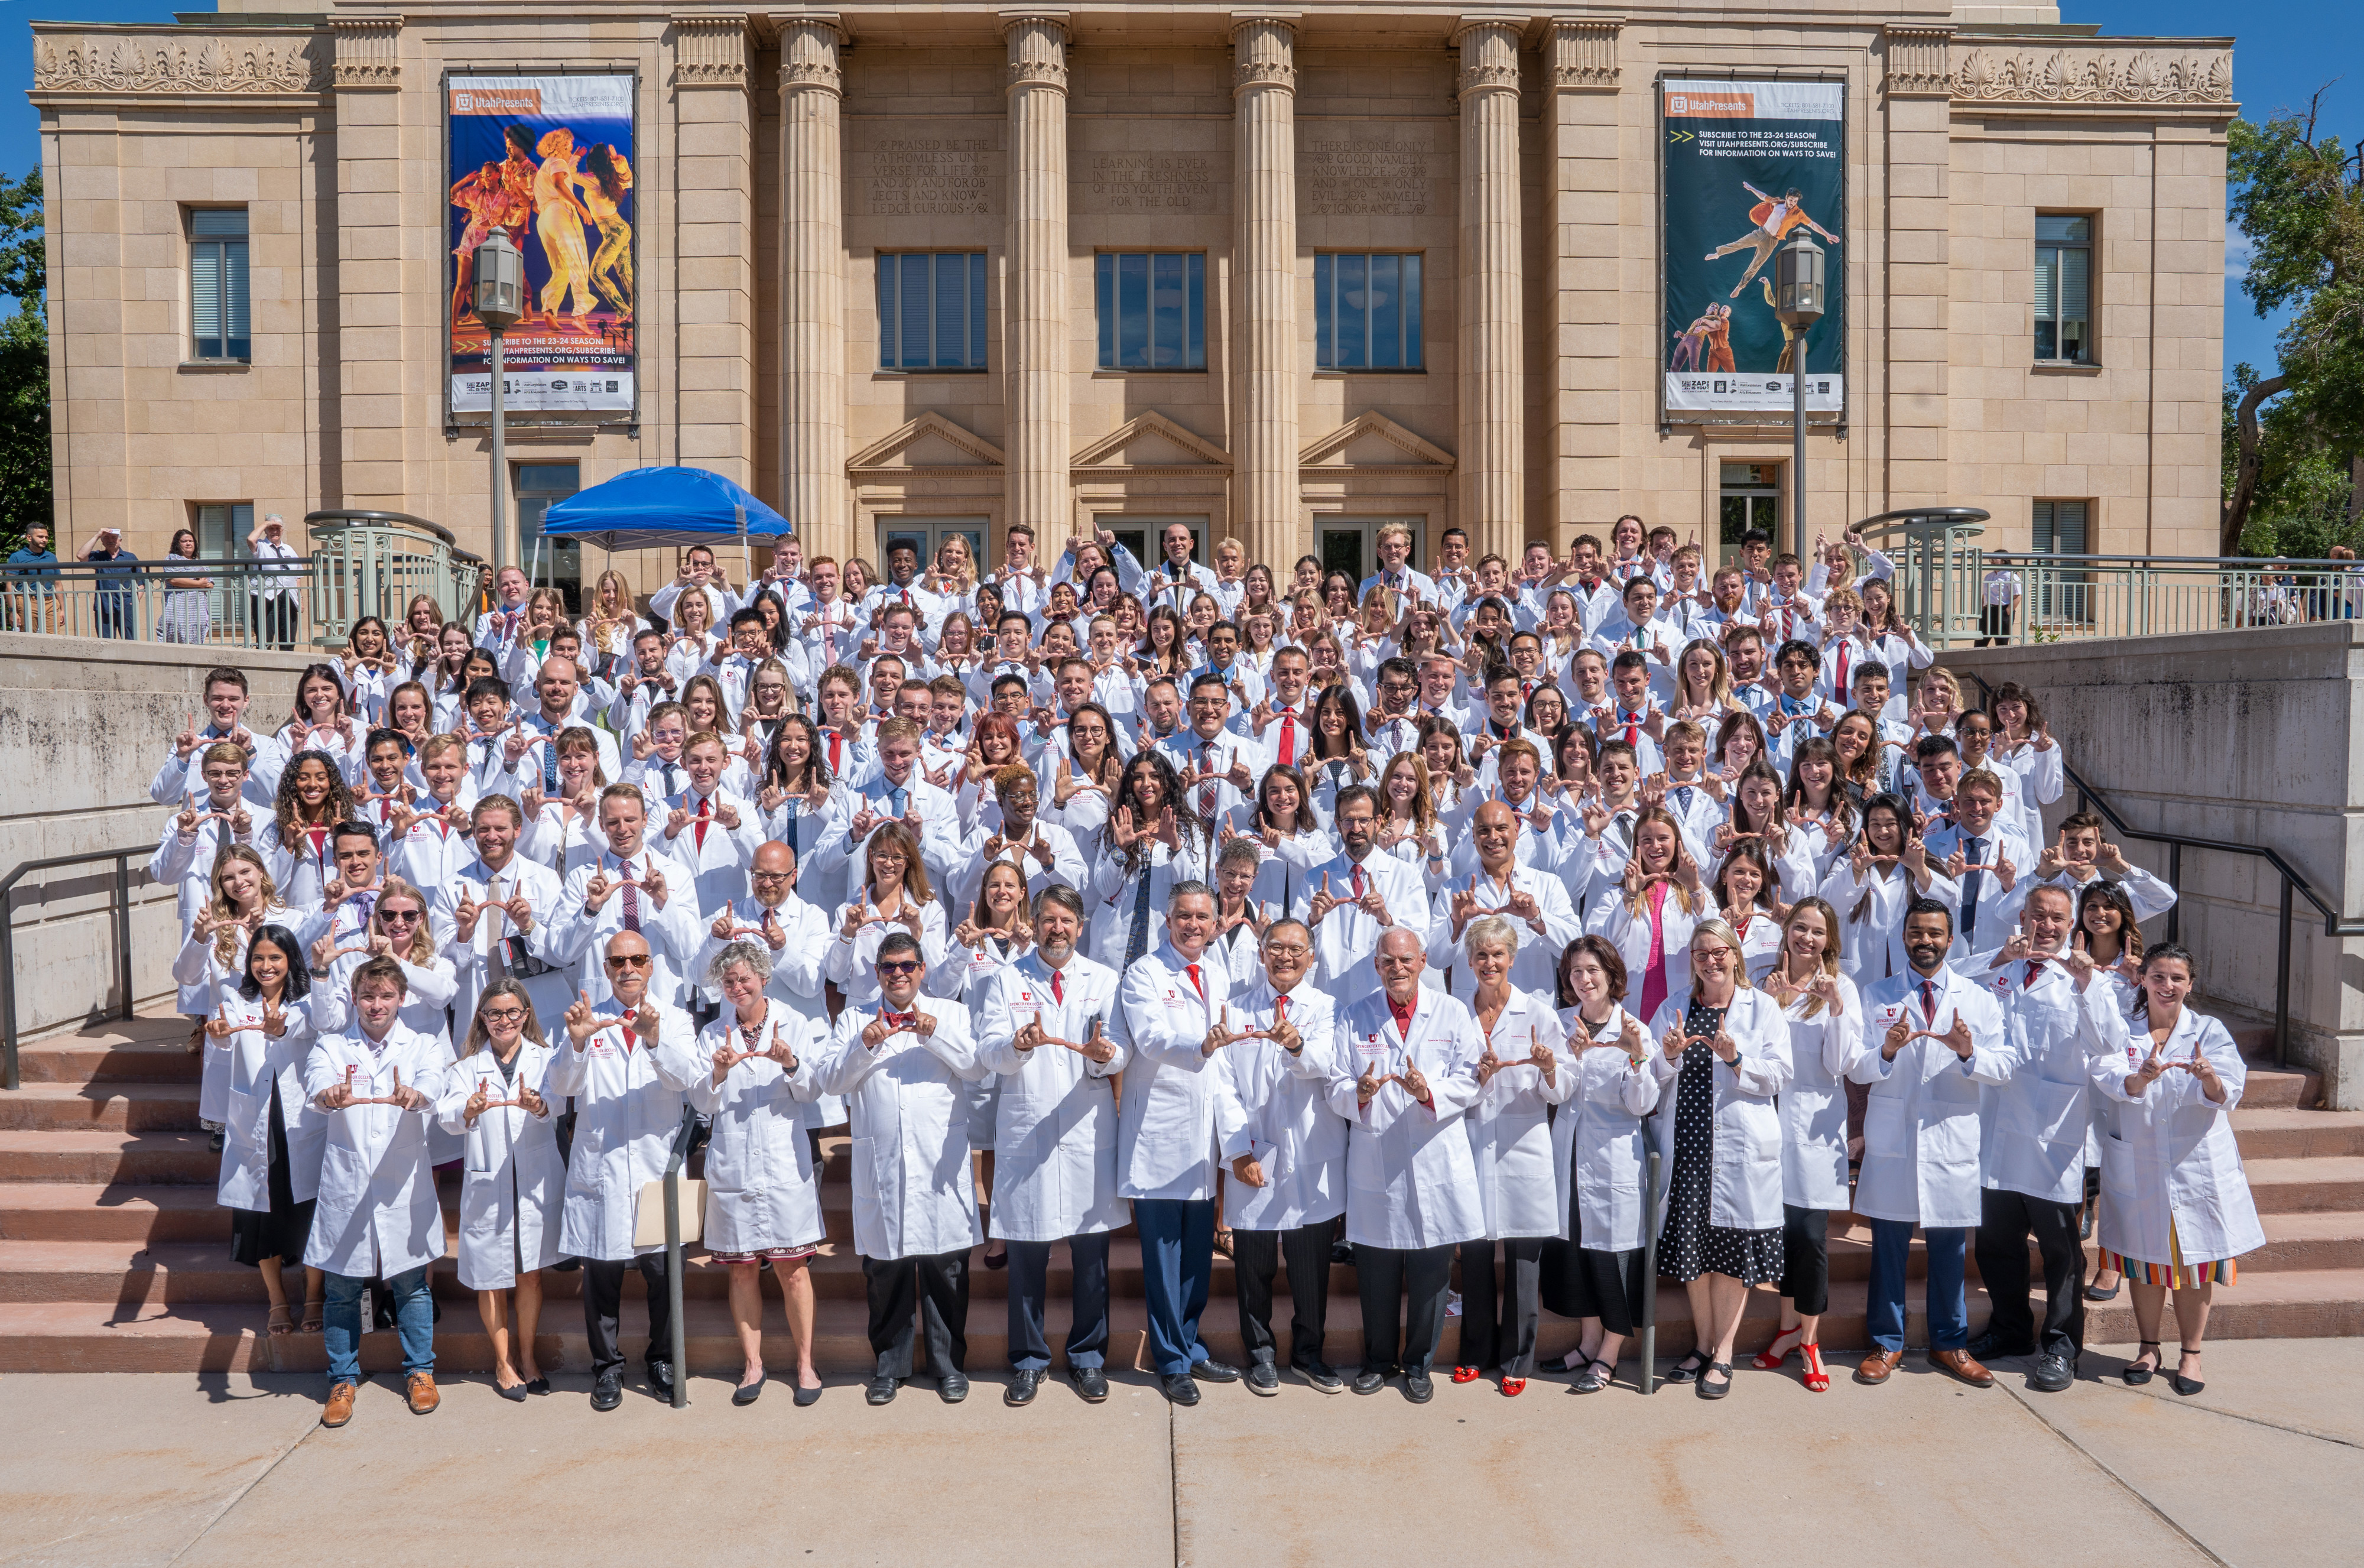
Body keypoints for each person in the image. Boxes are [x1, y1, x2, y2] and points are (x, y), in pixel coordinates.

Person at [815, 930, 989, 1407]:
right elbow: (829, 1081)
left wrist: (933, 1033)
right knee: (885, 1272)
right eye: (889, 966)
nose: (898, 974)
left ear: (922, 969)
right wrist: (864, 1046)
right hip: (883, 1165)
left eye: (907, 965)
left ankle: (949, 1365)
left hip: (940, 1164)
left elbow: (976, 1067)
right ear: (877, 972)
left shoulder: (951, 1012)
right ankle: (889, 1367)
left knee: (946, 1271)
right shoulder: (854, 1017)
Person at [2089, 944, 2265, 1397]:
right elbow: (2105, 1074)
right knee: (2143, 1261)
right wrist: (2139, 1079)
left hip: (2195, 1164)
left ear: (2191, 984)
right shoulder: (2124, 1030)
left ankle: (2192, 1352)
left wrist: (2208, 1077)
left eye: (2177, 979)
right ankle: (2148, 1346)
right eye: (2159, 977)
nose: (2168, 986)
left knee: (2194, 1263)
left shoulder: (2209, 1030)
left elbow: (2231, 1089)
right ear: (2143, 979)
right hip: (2140, 1163)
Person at [975, 885, 1128, 1405]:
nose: (1056, 928)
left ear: (1080, 927)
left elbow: (1120, 1051)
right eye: (1047, 920)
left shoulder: (1103, 979)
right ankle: (1029, 1360)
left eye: (1066, 920)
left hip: (1086, 1131)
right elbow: (988, 1049)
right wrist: (1015, 1046)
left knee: (1092, 1258)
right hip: (1028, 1128)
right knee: (1026, 1256)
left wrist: (1102, 1055)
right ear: (1033, 924)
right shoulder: (1006, 979)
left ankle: (1088, 1358)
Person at [1850, 898, 2011, 1388]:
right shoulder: (1876, 994)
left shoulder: (1979, 999)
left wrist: (1968, 1051)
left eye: (1935, 934)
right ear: (1904, 937)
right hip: (1893, 1136)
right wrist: (1886, 1050)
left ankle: (1950, 1341)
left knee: (1947, 1247)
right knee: (1890, 1248)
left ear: (1950, 939)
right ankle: (1886, 1341)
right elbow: (1855, 1067)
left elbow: (2003, 1067)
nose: (1925, 941)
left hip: (1951, 1138)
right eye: (1916, 933)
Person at [1969, 883, 2117, 1393]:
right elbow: (1948, 986)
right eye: (2038, 915)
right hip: (1996, 1131)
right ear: (2022, 916)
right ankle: (2010, 1329)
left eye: (2057, 918)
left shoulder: (2084, 980)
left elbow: (2110, 1043)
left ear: (2071, 924)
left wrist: (2085, 986)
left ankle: (2061, 1345)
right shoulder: (1998, 972)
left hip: (2057, 1136)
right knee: (1996, 1242)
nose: (2046, 926)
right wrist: (1995, 956)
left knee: (2061, 1250)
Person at [1331, 927, 1483, 1403]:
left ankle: (1418, 1364)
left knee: (1431, 1271)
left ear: (1422, 962)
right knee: (1375, 1268)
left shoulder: (1454, 1012)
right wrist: (1356, 1093)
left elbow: (1473, 1077)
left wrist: (1428, 1092)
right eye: (1387, 962)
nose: (1397, 968)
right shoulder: (1355, 1016)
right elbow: (1336, 1081)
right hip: (1377, 1157)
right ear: (1377, 967)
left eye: (1405, 960)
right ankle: (1379, 1361)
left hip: (1434, 1152)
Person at [545, 930, 696, 1411]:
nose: (628, 967)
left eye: (637, 959)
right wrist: (575, 1043)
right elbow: (563, 1085)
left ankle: (663, 1360)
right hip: (603, 1165)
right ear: (607, 968)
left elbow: (687, 1078)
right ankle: (607, 1367)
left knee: (664, 1272)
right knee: (601, 1275)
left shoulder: (676, 1019)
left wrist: (653, 1040)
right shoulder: (587, 1019)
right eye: (618, 960)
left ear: (651, 965)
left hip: (656, 1166)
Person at [1647, 918, 1792, 1400]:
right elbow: (1649, 1074)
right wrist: (1667, 1057)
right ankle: (1703, 1343)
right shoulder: (1675, 1007)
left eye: (1719, 952)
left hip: (1737, 1150)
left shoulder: (1762, 1007)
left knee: (1730, 1250)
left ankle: (1725, 1351)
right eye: (1701, 953)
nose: (1711, 960)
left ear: (1735, 954)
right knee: (1693, 1252)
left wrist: (1736, 1060)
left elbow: (1780, 1074)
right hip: (1688, 1146)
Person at [1112, 881, 1244, 1404]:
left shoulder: (1218, 971)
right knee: (1164, 1257)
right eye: (1184, 916)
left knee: (1194, 1255)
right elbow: (1149, 1038)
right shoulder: (1144, 973)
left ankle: (1189, 1344)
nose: (1193, 925)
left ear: (1215, 925)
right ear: (1168, 921)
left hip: (1201, 1133)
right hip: (1159, 1134)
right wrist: (1202, 1044)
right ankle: (1170, 1358)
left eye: (1203, 917)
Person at [304, 956, 450, 1427]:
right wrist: (328, 1095)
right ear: (354, 998)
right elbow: (316, 1082)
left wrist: (417, 1095)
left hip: (402, 1184)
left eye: (386, 995)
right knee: (342, 1288)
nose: (376, 1004)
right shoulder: (331, 1044)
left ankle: (421, 1372)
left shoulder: (423, 1043)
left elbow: (434, 1080)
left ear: (401, 998)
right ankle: (342, 1379)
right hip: (347, 1185)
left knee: (411, 1284)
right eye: (368, 995)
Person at [685, 943, 828, 1406]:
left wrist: (790, 1062)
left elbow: (812, 1092)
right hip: (735, 1165)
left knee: (794, 1270)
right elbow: (702, 1103)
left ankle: (806, 1364)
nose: (737, 987)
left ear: (764, 978)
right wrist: (718, 1075)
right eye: (729, 981)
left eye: (745, 978)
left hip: (785, 1162)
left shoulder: (796, 1023)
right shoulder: (712, 1035)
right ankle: (753, 1364)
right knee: (742, 1271)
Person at [1210, 917, 1346, 1394]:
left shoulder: (1328, 1008)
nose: (1285, 957)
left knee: (1311, 1267)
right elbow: (1222, 1086)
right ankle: (1261, 1354)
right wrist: (1238, 1150)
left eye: (1296, 949)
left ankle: (1309, 1353)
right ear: (1261, 954)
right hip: (1256, 1153)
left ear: (1311, 957)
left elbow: (1326, 1064)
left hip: (1312, 1153)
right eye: (1276, 948)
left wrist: (1297, 1044)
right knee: (1254, 1265)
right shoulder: (1237, 1009)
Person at [1450, 916, 1570, 1395]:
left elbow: (1566, 1088)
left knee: (1524, 1259)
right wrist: (1474, 1080)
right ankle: (1475, 1349)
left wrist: (1549, 1067)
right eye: (1481, 954)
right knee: (1475, 1253)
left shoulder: (1539, 1012)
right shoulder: (1456, 1013)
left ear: (1513, 957)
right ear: (1469, 960)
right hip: (1474, 1141)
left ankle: (1519, 1356)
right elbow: (1449, 1081)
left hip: (1524, 1146)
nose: (1489, 963)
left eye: (1498, 954)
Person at [1750, 899, 1861, 1393]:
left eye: (1818, 931)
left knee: (1813, 1239)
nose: (1807, 939)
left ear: (1829, 939)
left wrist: (1836, 1007)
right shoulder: (1761, 981)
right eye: (1800, 928)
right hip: (1767, 1121)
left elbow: (1842, 1064)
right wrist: (1770, 1006)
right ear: (1786, 932)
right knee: (1783, 1234)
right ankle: (1788, 1326)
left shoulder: (1843, 987)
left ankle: (1811, 1340)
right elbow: (1748, 1053)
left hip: (1817, 1125)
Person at [1541, 936, 1660, 1391]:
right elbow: (1557, 1093)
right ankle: (1588, 1342)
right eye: (1575, 971)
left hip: (1615, 1160)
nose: (1584, 978)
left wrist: (1634, 1054)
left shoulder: (1635, 1028)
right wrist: (1563, 1059)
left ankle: (1608, 1353)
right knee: (1578, 1253)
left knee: (1611, 1257)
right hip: (1570, 1154)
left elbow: (1641, 1103)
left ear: (1611, 974)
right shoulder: (1562, 1024)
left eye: (1592, 969)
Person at [438, 980, 563, 1400]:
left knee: (530, 1274)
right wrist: (467, 1110)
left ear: (526, 1015)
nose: (504, 1021)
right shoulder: (466, 1068)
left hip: (533, 1180)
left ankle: (528, 1357)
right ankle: (503, 1361)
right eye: (495, 1013)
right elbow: (446, 1114)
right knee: (492, 1276)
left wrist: (540, 1106)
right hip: (489, 1180)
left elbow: (561, 1101)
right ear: (482, 1018)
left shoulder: (547, 1059)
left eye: (512, 1012)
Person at [210, 923, 324, 1339]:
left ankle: (314, 1295)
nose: (266, 965)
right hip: (256, 1122)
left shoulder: (310, 1002)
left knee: (308, 1211)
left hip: (299, 1120)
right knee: (261, 1213)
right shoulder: (235, 999)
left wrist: (282, 1027)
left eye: (275, 957)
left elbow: (307, 1027)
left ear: (291, 959)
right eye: (258, 958)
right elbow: (222, 1035)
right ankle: (277, 1299)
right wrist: (219, 1034)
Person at [246, 514, 302, 649]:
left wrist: (300, 599)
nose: (275, 531)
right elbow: (250, 539)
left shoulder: (289, 549)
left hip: (289, 596)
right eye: (272, 528)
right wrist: (266, 524)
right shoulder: (261, 546)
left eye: (278, 528)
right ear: (266, 530)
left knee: (288, 635)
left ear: (282, 531)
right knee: (266, 634)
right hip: (266, 595)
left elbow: (298, 576)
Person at [80, 526, 141, 639]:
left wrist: (134, 602)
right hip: (104, 605)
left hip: (126, 605)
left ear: (120, 541)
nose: (111, 540)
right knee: (106, 642)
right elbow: (81, 556)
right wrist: (97, 535)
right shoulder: (99, 556)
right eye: (106, 538)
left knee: (131, 640)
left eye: (114, 537)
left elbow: (141, 583)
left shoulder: (130, 557)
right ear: (102, 542)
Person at [156, 527, 213, 644]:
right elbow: (175, 579)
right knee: (176, 639)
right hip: (178, 608)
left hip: (198, 609)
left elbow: (210, 583)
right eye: (184, 541)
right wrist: (198, 584)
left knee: (196, 641)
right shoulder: (172, 559)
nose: (188, 544)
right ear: (178, 544)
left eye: (191, 541)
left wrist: (205, 584)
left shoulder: (199, 562)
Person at [5, 519, 59, 632]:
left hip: (50, 602)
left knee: (55, 639)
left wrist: (63, 609)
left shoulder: (51, 557)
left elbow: (58, 584)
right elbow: (10, 585)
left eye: (46, 537)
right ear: (29, 538)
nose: (44, 540)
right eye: (40, 537)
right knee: (29, 639)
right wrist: (12, 611)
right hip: (27, 601)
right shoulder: (17, 557)